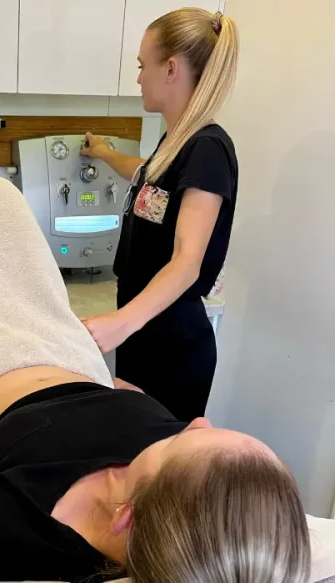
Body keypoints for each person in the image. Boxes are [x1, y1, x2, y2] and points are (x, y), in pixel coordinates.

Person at [0, 375, 310, 583]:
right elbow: (134, 398)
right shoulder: (180, 478)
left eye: (183, 439)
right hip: (68, 350)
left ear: (127, 517)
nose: (196, 421)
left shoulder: (21, 531)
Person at [80, 8, 239, 422]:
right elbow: (150, 181)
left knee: (159, 471)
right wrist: (103, 152)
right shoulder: (178, 142)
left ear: (170, 69)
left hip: (173, 347)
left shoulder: (208, 149)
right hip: (147, 334)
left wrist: (120, 323)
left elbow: (188, 262)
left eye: (141, 65)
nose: (138, 77)